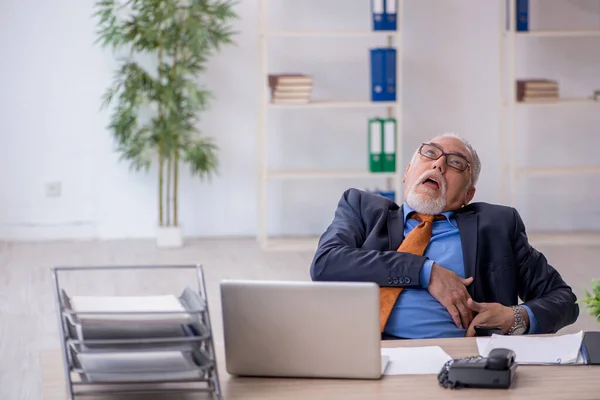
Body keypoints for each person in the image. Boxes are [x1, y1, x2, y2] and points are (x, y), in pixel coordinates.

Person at [310, 133, 579, 339]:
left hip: (463, 359)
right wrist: (427, 272)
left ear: (468, 195)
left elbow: (563, 299)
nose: (438, 164)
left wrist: (516, 316)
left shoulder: (498, 225)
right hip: (363, 351)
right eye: (429, 153)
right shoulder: (362, 208)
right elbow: (326, 263)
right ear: (407, 172)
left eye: (456, 163)